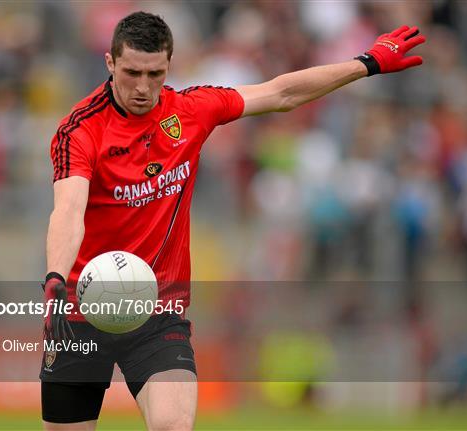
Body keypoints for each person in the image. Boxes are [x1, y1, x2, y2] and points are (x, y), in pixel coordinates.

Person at [41, 11, 426, 431]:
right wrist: (55, 280)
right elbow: (69, 211)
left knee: (173, 426)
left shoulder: (191, 109)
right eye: (132, 72)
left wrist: (365, 63)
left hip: (158, 311)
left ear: (170, 65)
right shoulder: (79, 131)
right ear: (110, 63)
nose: (143, 87)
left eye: (156, 73)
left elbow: (280, 93)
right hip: (80, 311)